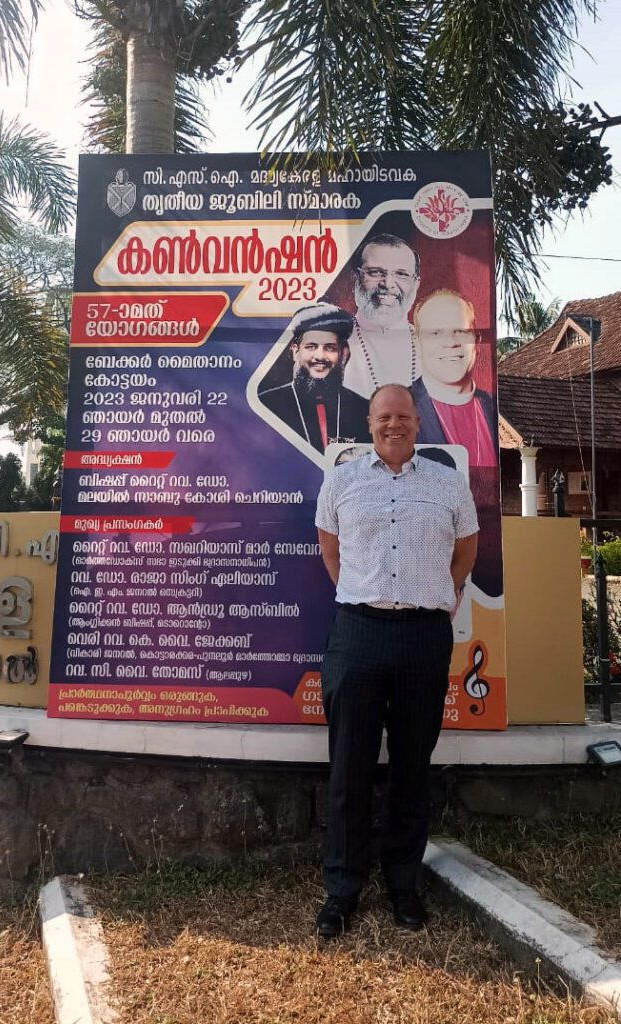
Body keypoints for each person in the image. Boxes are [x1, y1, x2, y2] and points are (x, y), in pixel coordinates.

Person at [314, 383, 478, 938]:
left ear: (416, 422)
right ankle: (342, 889)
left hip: (423, 637)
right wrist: (360, 594)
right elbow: (329, 549)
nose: (394, 425)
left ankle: (404, 884)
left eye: (403, 416)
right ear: (369, 421)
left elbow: (467, 548)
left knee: (412, 765)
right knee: (349, 768)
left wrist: (442, 591)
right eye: (384, 416)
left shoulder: (447, 482)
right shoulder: (341, 480)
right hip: (357, 633)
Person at [258, 303, 369, 454]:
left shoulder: (365, 411)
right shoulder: (266, 405)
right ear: (295, 350)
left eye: (330, 348)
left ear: (344, 354)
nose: (320, 356)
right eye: (311, 346)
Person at [410, 290, 498, 467]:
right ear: (417, 343)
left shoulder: (494, 406)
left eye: (460, 331)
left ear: (477, 340)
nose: (451, 343)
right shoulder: (396, 409)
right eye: (435, 333)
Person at [344, 234, 421, 398]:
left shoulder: (431, 349)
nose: (387, 284)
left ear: (416, 284)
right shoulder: (332, 345)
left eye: (401, 274)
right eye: (375, 272)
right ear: (355, 278)